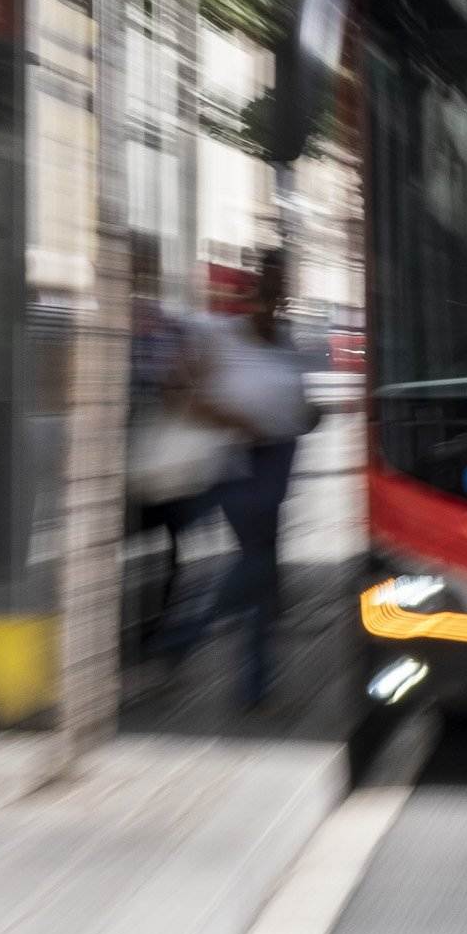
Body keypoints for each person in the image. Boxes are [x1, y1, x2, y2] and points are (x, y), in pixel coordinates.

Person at [154, 249, 321, 709]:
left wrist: (309, 415)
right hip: (241, 464)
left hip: (280, 464)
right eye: (267, 286)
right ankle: (192, 638)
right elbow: (178, 393)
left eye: (281, 288)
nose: (274, 297)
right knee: (256, 566)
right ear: (252, 290)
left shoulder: (287, 343)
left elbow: (301, 406)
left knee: (260, 571)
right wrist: (239, 421)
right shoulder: (220, 336)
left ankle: (249, 680)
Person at [126, 242, 212, 650]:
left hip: (160, 454)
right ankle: (153, 622)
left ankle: (159, 623)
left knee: (170, 543)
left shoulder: (170, 327)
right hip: (134, 455)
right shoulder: (141, 326)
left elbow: (189, 380)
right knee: (162, 543)